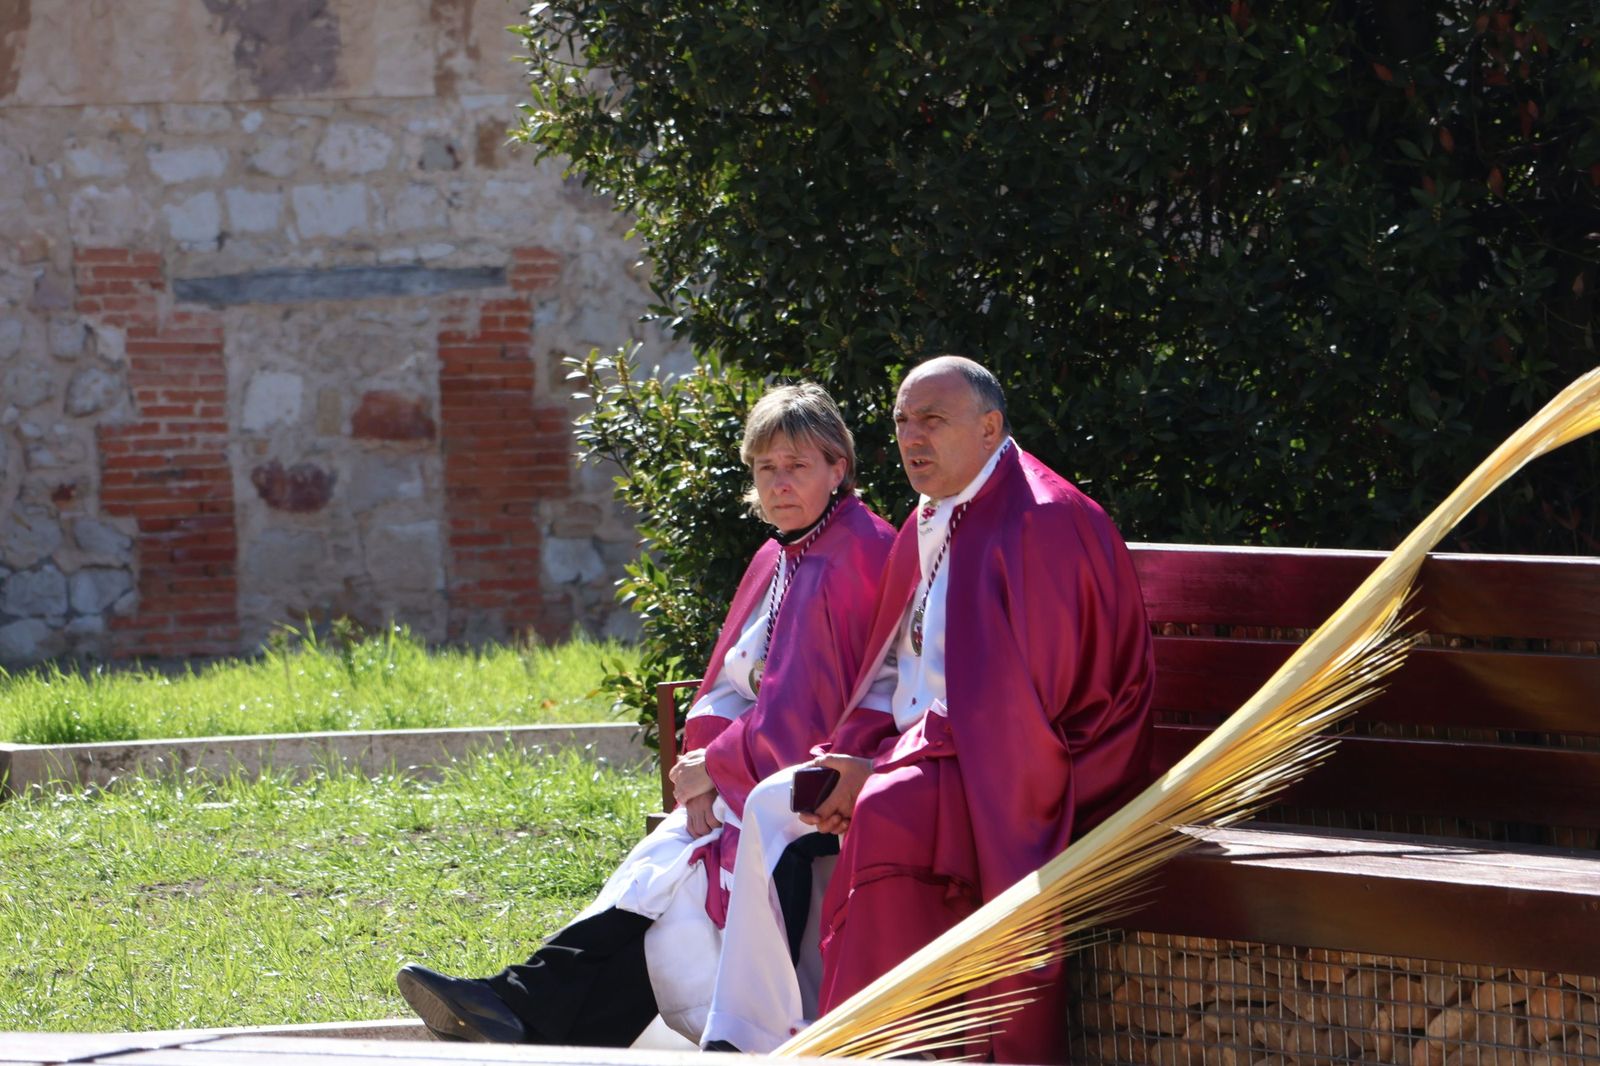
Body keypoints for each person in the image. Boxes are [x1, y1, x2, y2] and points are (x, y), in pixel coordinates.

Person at [395, 383, 896, 1046]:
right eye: (765, 467)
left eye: (798, 465)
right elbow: (729, 687)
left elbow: (816, 711)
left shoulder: (854, 552)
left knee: (671, 878)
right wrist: (704, 772)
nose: (779, 483)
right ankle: (522, 1009)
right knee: (663, 869)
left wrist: (715, 769)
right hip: (751, 768)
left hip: (826, 776)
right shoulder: (781, 553)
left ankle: (524, 1009)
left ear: (838, 468)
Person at [699, 356, 1154, 1063]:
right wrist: (853, 750)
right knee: (783, 800)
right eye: (903, 421)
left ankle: (894, 1046)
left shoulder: (1042, 519)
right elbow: (894, 667)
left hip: (1038, 764)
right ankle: (753, 1035)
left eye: (933, 420)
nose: (912, 437)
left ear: (989, 428)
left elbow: (1030, 702)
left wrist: (879, 767)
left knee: (883, 810)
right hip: (941, 748)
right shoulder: (934, 513)